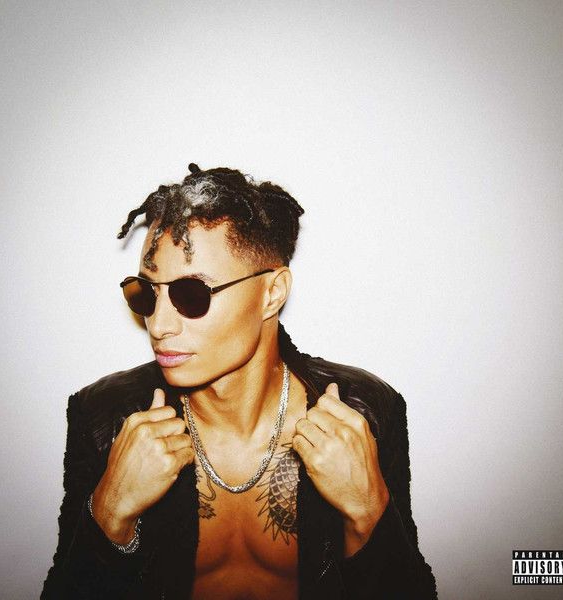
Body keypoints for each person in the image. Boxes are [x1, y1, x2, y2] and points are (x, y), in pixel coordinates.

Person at [41, 163, 437, 599]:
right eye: (146, 292)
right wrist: (109, 515)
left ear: (272, 293)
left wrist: (368, 512)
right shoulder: (104, 417)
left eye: (191, 294)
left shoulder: (364, 411)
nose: (159, 325)